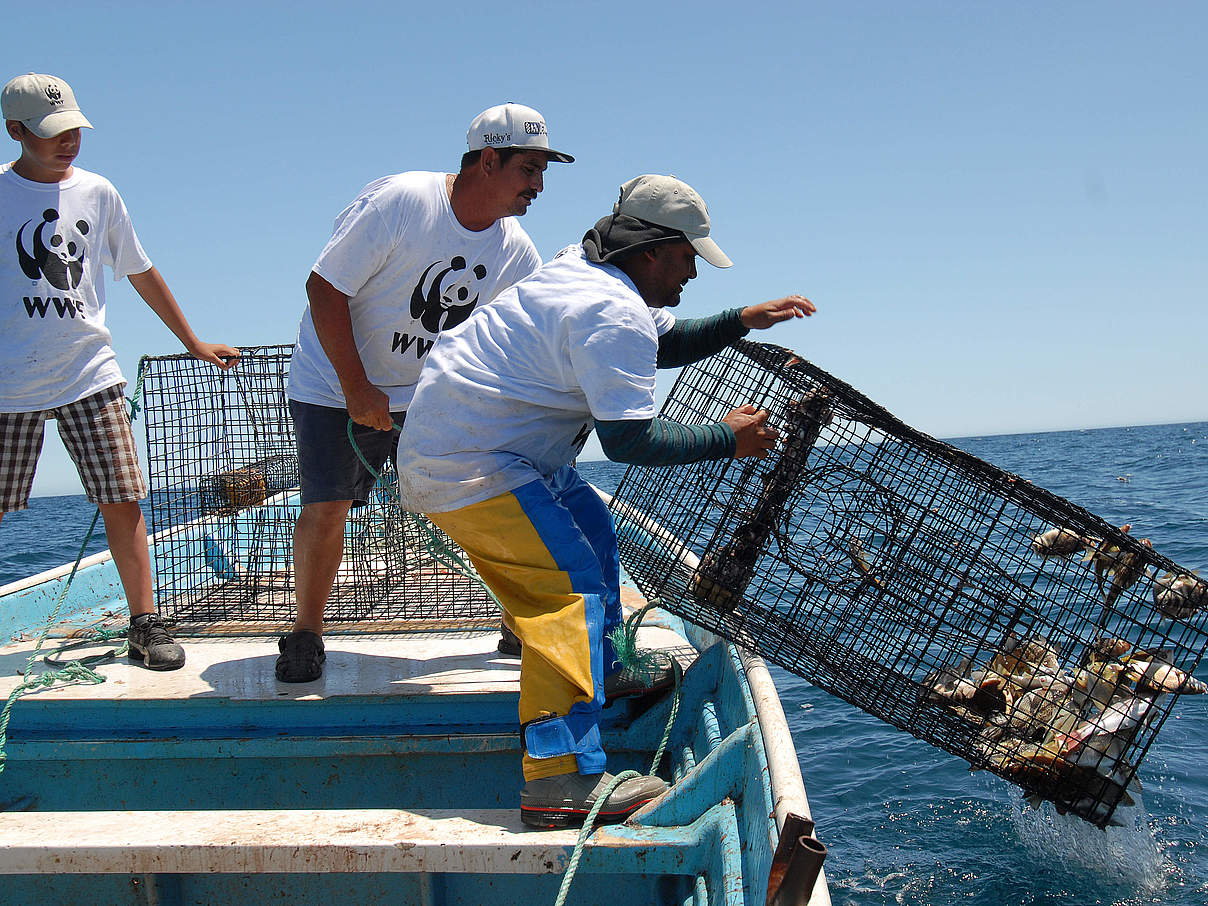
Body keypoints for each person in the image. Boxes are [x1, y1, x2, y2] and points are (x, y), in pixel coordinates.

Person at [395, 174, 816, 828]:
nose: (693, 274)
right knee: (566, 591)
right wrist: (726, 440)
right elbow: (629, 439)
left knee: (594, 532)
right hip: (470, 465)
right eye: (687, 258)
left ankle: (608, 670)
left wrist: (740, 320)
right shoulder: (609, 309)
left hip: (496, 451)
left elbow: (664, 340)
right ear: (651, 251)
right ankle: (559, 781)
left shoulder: (589, 275)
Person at [279, 103, 574, 683]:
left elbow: (533, 326)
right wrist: (357, 387)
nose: (538, 185)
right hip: (332, 384)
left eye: (544, 172)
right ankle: (306, 635)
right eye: (529, 169)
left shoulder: (515, 247)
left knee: (485, 497)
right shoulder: (403, 202)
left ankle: (517, 622)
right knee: (329, 505)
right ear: (489, 160)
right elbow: (324, 288)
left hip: (426, 395)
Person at [0, 73, 240, 670]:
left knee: (123, 498)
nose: (70, 141)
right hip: (9, 383)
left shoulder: (100, 193)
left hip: (90, 373)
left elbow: (139, 270)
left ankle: (144, 624)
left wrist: (193, 340)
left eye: (75, 129)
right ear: (16, 132)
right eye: (54, 132)